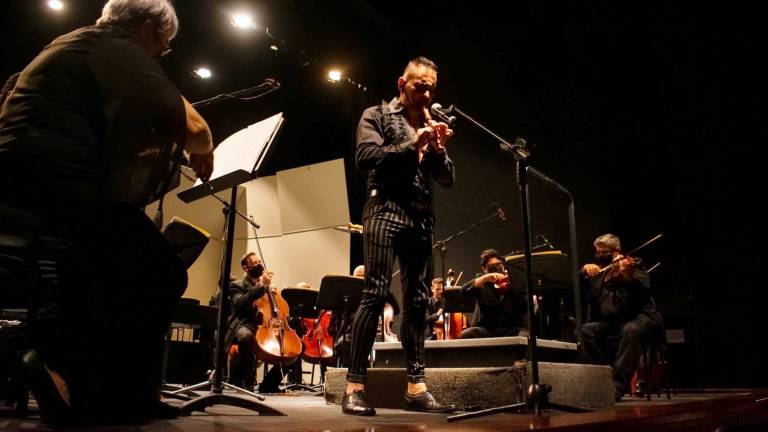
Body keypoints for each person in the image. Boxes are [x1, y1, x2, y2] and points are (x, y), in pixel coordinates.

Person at [0, 0, 214, 425]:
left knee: (112, 265)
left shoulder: (76, 43)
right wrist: (193, 135)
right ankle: (103, 386)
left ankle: (80, 382)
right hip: (57, 195)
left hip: (22, 191)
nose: (160, 56)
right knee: (161, 270)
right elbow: (198, 133)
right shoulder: (119, 50)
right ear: (149, 30)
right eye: (164, 47)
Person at [343, 57, 456, 416]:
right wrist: (413, 144)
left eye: (431, 87)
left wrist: (436, 148)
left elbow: (447, 178)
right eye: (419, 85)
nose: (426, 93)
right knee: (375, 292)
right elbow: (365, 157)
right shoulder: (376, 115)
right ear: (401, 83)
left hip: (419, 216)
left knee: (418, 301)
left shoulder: (430, 123)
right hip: (383, 208)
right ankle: (354, 387)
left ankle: (417, 388)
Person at [577, 234, 663, 401]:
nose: (600, 256)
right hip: (612, 323)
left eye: (604, 253)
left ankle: (617, 387)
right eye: (598, 253)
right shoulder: (600, 274)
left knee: (631, 330)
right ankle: (600, 380)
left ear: (616, 251)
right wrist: (583, 271)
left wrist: (628, 277)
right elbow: (584, 291)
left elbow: (644, 288)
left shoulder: (634, 264)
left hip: (638, 319)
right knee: (584, 331)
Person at [225, 252, 273, 391]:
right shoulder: (236, 285)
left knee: (293, 346)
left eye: (260, 262)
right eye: (255, 263)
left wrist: (272, 293)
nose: (259, 265)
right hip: (243, 324)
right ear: (246, 268)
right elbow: (240, 303)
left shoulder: (265, 287)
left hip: (264, 325)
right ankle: (238, 379)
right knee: (246, 337)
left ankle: (269, 383)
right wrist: (260, 286)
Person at [460, 249, 528, 338]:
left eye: (499, 265)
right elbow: (463, 291)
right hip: (487, 330)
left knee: (525, 335)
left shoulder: (511, 280)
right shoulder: (481, 283)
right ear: (484, 269)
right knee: (466, 334)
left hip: (510, 328)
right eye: (492, 267)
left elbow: (524, 307)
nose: (496, 270)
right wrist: (485, 278)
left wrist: (513, 287)